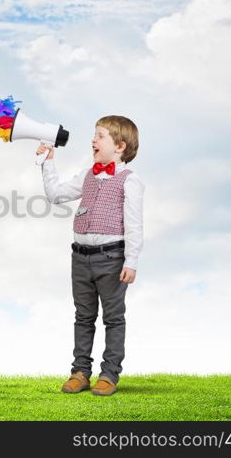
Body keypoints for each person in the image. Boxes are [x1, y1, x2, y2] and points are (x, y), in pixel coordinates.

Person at [37, 115, 144, 396]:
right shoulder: (87, 174)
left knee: (113, 318)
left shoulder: (130, 181)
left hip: (111, 258)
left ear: (119, 146)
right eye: (94, 135)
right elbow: (55, 195)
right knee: (83, 316)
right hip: (80, 257)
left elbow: (134, 224)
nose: (93, 140)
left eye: (99, 136)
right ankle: (80, 371)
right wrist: (48, 162)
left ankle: (109, 374)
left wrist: (131, 261)